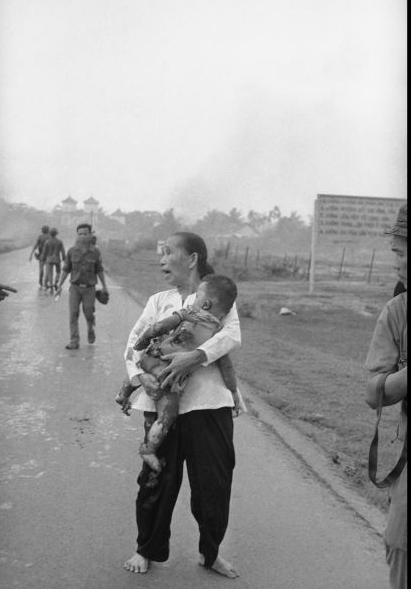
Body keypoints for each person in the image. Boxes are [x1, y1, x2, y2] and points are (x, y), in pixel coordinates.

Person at [121, 232, 241, 579]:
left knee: (214, 482)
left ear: (192, 258)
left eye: (168, 252)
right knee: (156, 478)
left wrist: (195, 357)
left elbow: (231, 336)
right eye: (161, 253)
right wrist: (137, 376)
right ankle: (147, 549)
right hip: (162, 403)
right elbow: (134, 343)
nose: (161, 259)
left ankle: (211, 553)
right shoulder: (160, 301)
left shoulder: (217, 296)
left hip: (209, 404)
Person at [118, 274, 246, 474]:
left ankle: (123, 394)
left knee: (143, 368)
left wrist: (143, 341)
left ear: (205, 304)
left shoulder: (187, 312)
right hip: (168, 374)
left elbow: (160, 327)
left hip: (154, 355)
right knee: (168, 415)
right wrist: (234, 393)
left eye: (197, 297)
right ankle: (149, 449)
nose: (192, 299)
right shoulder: (217, 334)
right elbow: (227, 368)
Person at [364, 203, 407, 589]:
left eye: (403, 251)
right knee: (401, 544)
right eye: (396, 251)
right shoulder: (398, 311)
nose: (397, 261)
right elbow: (373, 391)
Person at [55, 223, 108, 349]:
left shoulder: (95, 252)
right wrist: (59, 285)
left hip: (89, 289)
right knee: (73, 313)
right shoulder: (72, 251)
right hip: (75, 288)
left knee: (88, 312)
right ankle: (74, 340)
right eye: (80, 234)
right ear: (77, 235)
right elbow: (66, 269)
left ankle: (90, 327)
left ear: (90, 235)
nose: (82, 236)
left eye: (85, 234)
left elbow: (99, 270)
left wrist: (104, 286)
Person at [40, 228, 65, 292]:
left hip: (49, 259)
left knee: (50, 273)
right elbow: (63, 252)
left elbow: (44, 252)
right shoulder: (59, 242)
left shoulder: (47, 242)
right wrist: (64, 259)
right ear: (56, 234)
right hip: (57, 259)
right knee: (58, 272)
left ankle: (51, 287)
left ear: (50, 234)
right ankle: (56, 282)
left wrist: (42, 259)